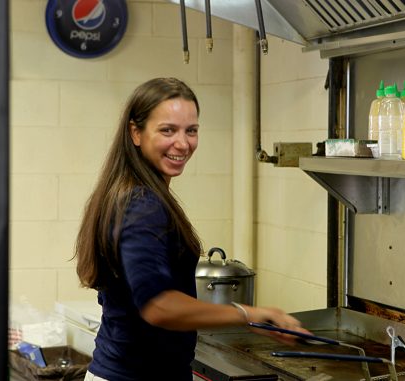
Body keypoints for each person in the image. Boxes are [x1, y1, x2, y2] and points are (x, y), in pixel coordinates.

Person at [74, 78, 307, 381]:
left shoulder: (131, 192)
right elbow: (158, 305)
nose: (183, 144)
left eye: (191, 130)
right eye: (167, 130)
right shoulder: (142, 204)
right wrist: (250, 314)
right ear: (136, 133)